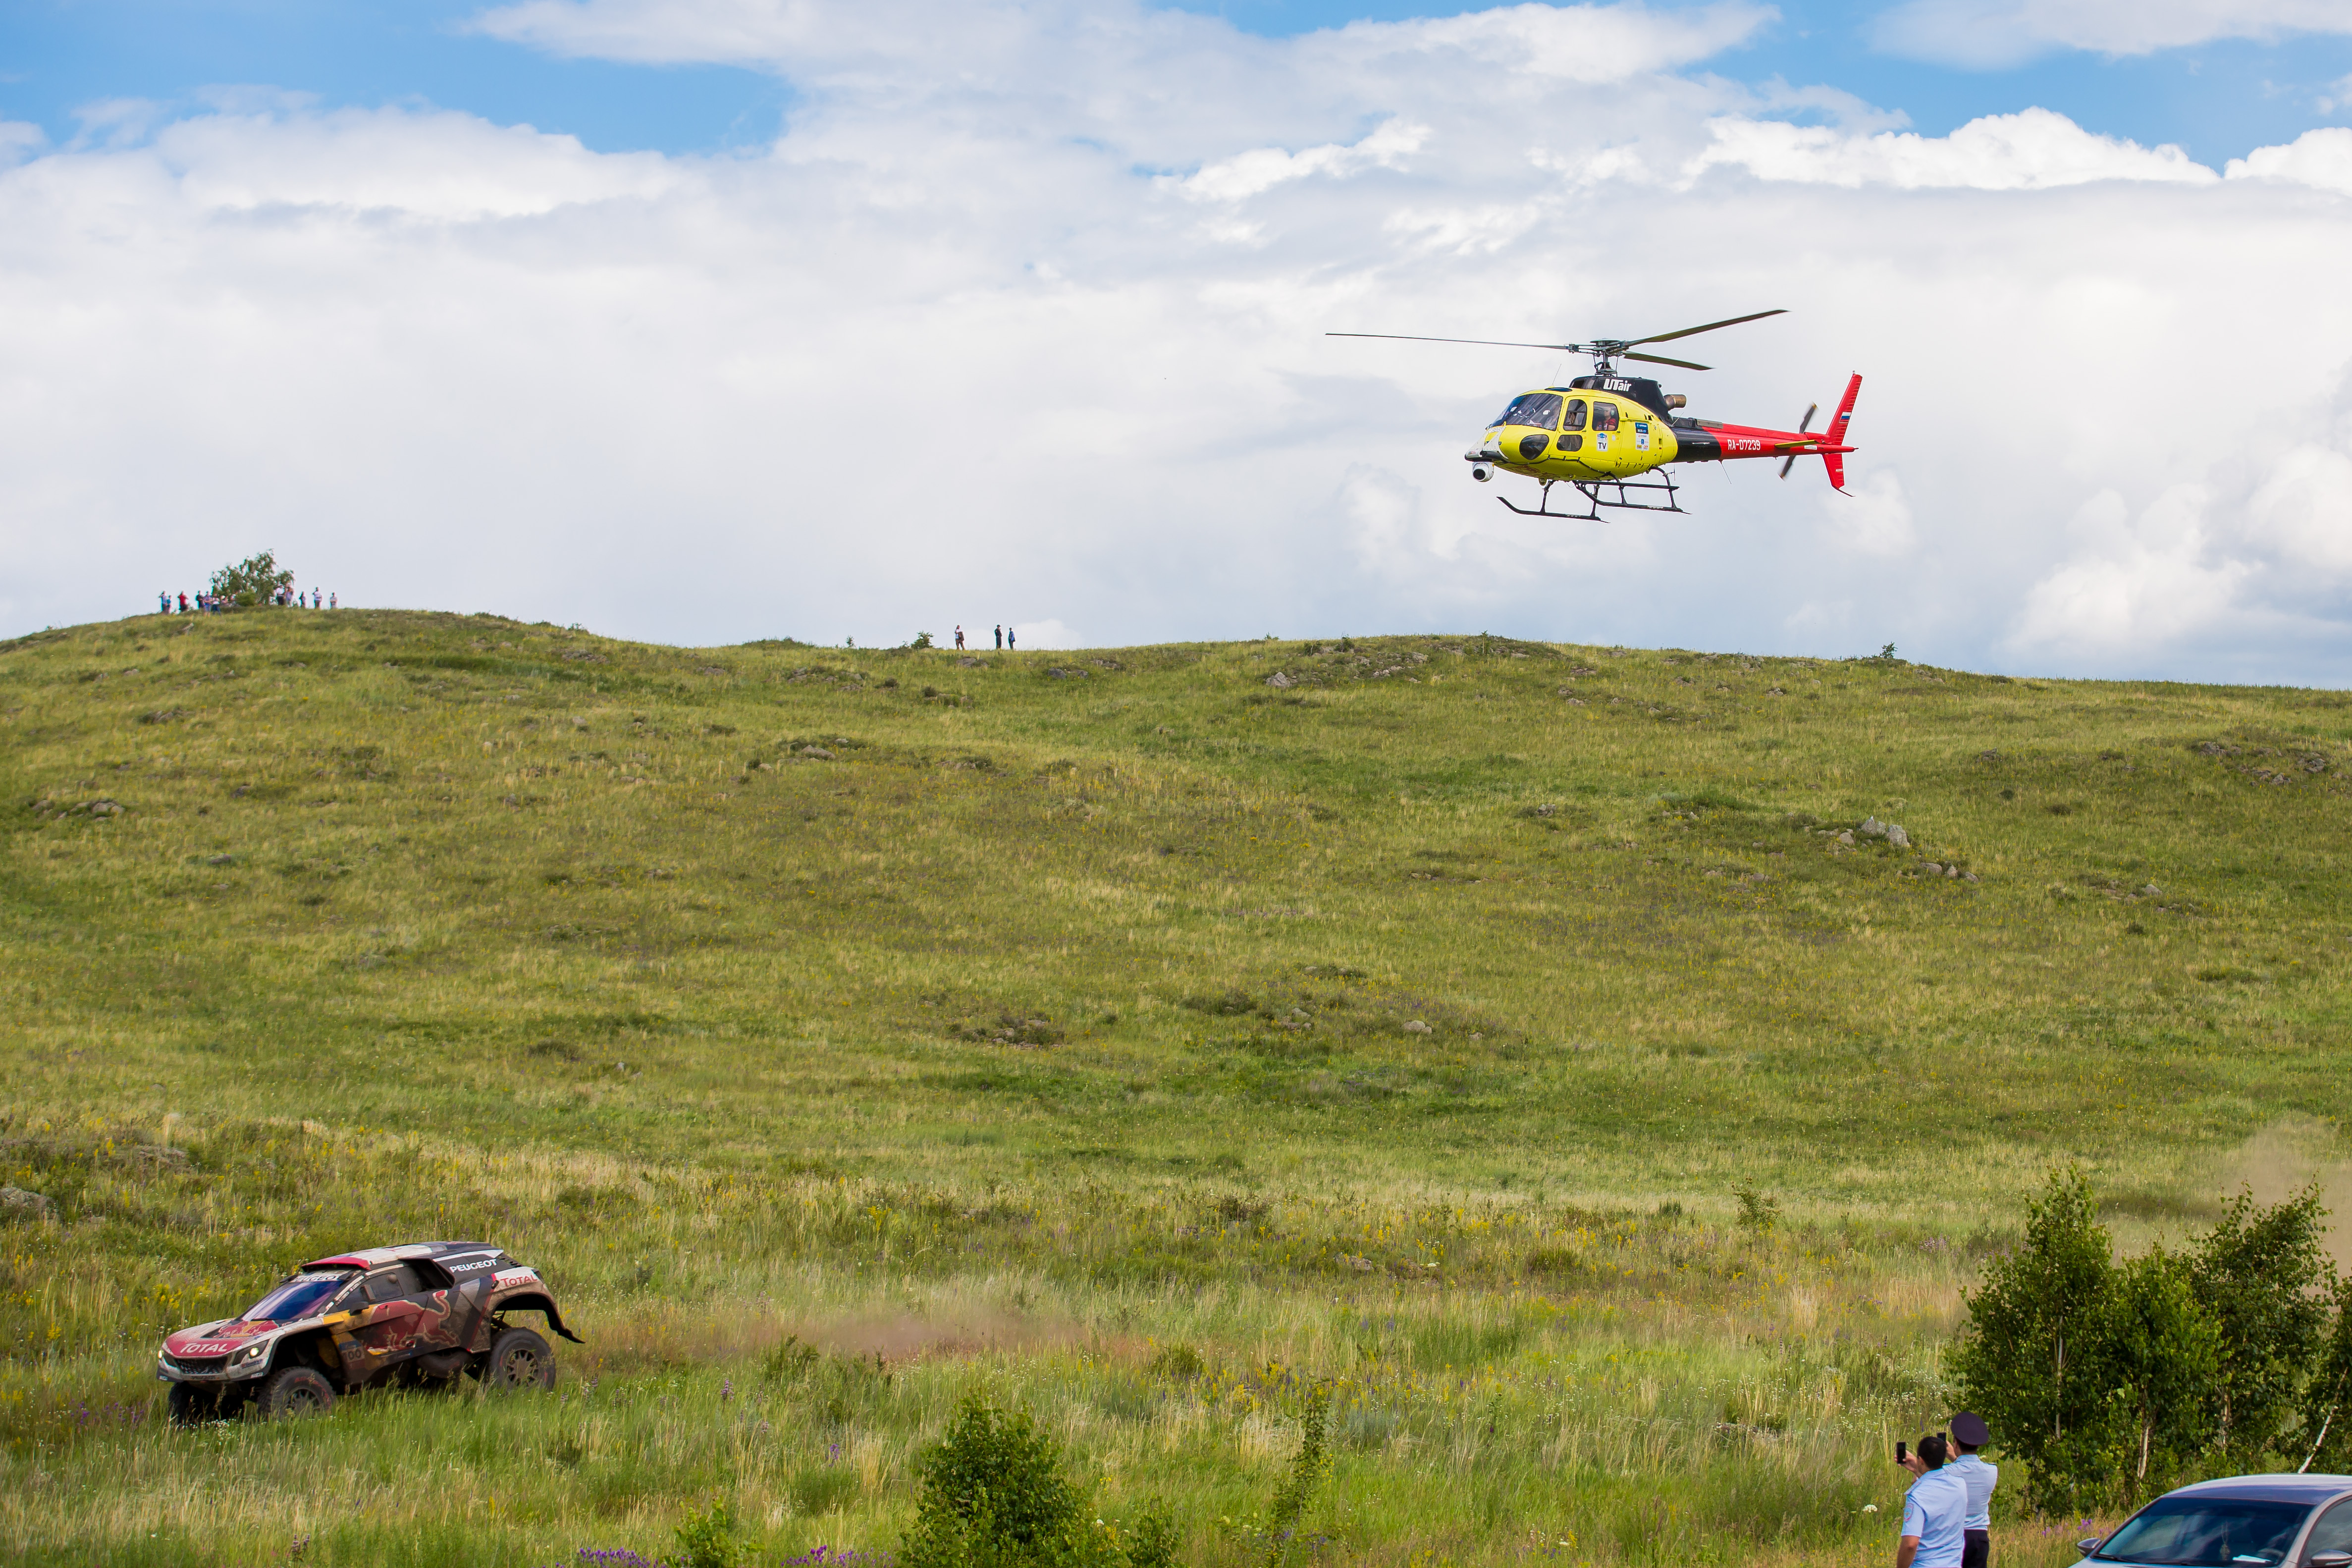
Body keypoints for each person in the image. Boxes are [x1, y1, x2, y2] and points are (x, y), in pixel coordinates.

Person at [1898, 1433, 1968, 1568]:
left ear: (1921, 1460)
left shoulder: (1917, 1495)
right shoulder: (1960, 1486)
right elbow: (1937, 1485)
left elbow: (1910, 1544)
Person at [1949, 1413, 1996, 1568]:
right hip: (1979, 1537)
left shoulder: (1947, 1472)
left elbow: (1960, 1471)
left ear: (1956, 1444)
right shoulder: (1992, 1472)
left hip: (1954, 1535)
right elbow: (1969, 1471)